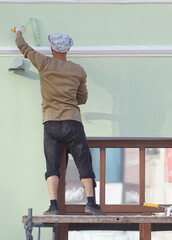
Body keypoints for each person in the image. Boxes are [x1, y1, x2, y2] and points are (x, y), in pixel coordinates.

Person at [15, 27, 104, 215]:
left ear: (52, 48)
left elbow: (24, 48)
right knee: (83, 162)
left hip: (51, 121)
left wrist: (19, 33)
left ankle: (53, 206)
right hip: (72, 121)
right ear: (68, 50)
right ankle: (90, 203)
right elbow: (82, 98)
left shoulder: (44, 63)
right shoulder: (78, 70)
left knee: (52, 165)